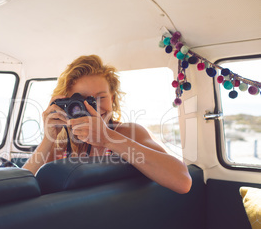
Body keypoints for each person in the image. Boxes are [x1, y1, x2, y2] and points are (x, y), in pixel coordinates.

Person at [23, 55, 191, 194]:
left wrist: (108, 138)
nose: (93, 107)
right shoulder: (62, 145)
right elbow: (22, 187)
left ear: (113, 99)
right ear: (67, 104)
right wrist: (48, 139)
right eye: (82, 100)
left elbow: (182, 181)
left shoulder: (128, 132)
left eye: (100, 97)